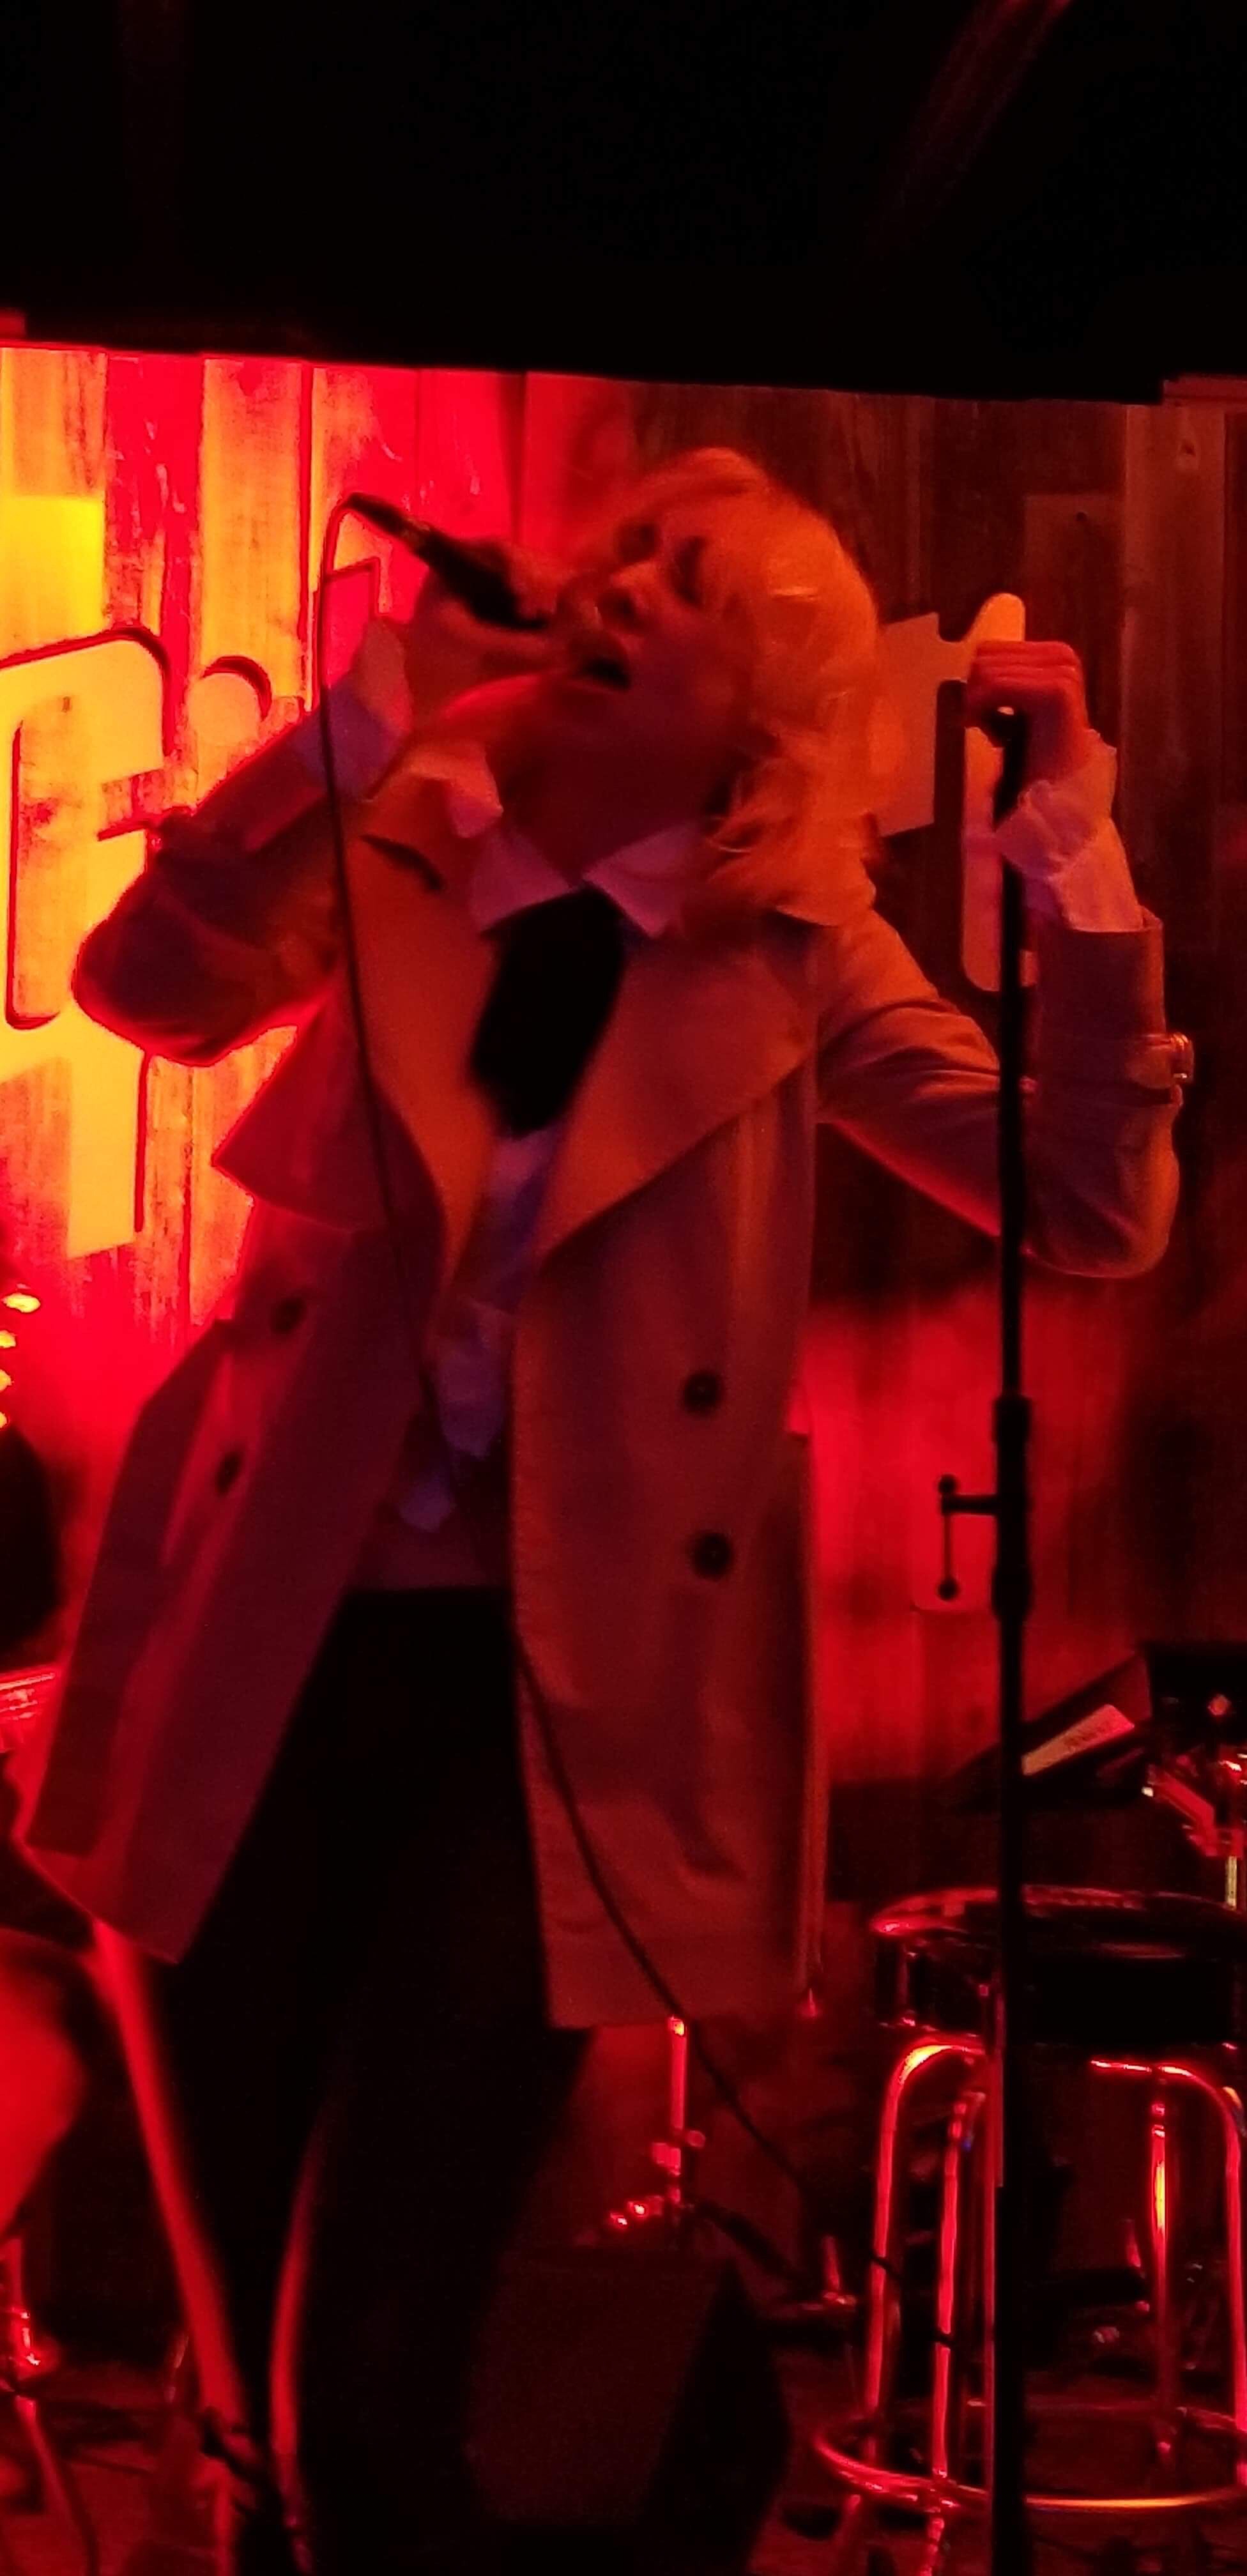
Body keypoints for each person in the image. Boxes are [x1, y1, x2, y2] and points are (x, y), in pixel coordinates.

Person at [13, 446, 1186, 2572]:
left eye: (694, 587)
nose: (623, 584)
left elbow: (1091, 1203)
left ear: (764, 721)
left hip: (549, 1701)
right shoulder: (409, 832)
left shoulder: (793, 952)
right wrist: (351, 729)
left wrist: (1073, 841)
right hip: (261, 1651)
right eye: (627, 553)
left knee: (372, 2378)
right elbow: (145, 990)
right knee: (246, 2392)